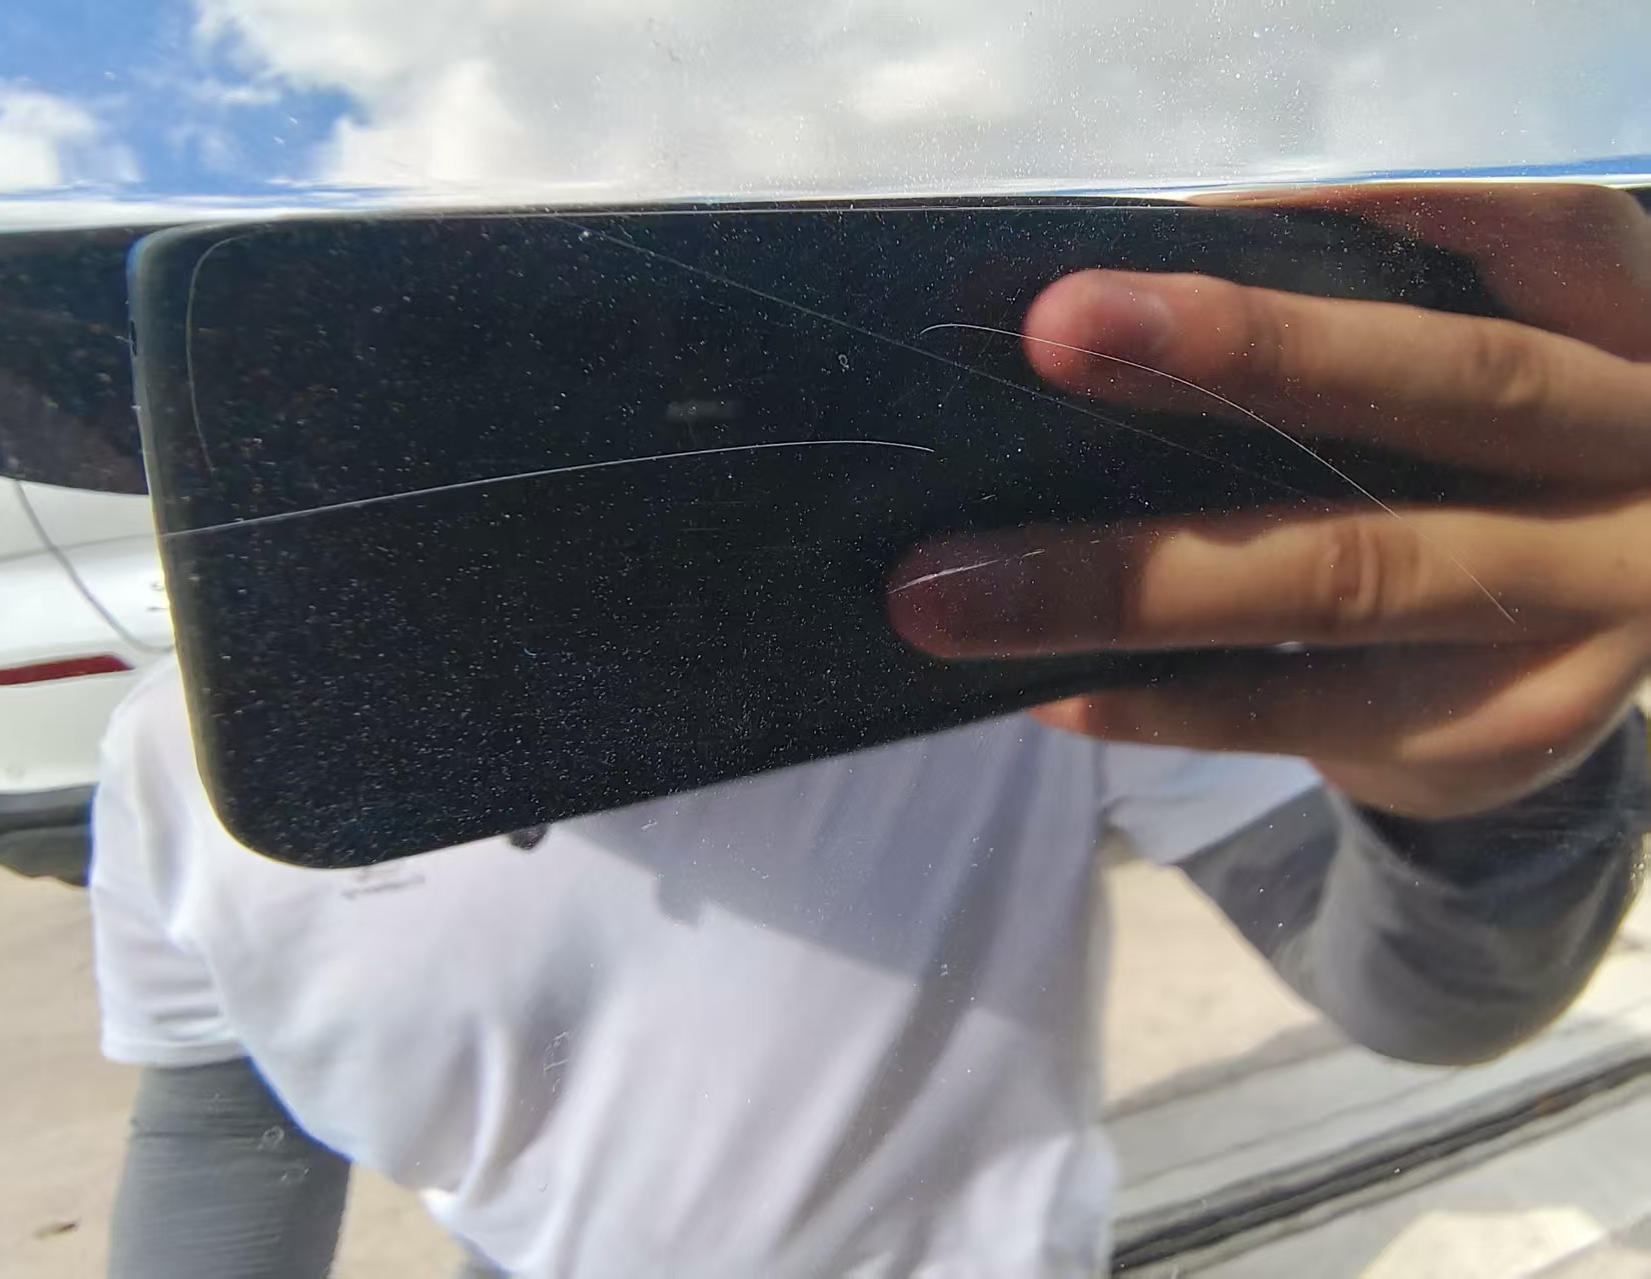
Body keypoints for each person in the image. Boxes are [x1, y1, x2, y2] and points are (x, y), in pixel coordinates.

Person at [91, 183, 1651, 1278]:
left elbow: (1414, 999)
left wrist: (1476, 774)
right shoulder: (180, 761)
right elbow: (226, 1125)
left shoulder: (1008, 646)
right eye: (423, 370)